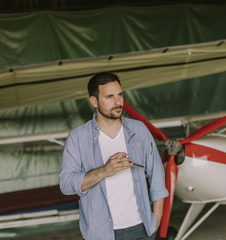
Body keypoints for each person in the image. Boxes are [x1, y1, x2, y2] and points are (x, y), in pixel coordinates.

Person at [59, 72, 168, 240]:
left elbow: (157, 174)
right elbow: (66, 184)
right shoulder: (78, 138)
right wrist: (104, 171)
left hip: (142, 229)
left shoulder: (139, 130)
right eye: (109, 97)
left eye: (120, 95)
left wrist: (156, 219)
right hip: (101, 233)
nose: (118, 102)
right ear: (94, 101)